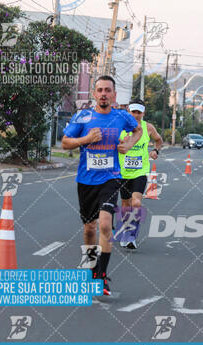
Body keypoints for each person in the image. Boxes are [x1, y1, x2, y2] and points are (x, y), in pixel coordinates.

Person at [62, 75, 142, 296]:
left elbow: (138, 130)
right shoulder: (82, 116)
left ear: (114, 95)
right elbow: (65, 143)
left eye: (108, 90)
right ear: (94, 94)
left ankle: (102, 276)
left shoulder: (121, 116)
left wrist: (129, 143)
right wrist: (85, 139)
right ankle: (90, 268)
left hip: (111, 177)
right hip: (86, 180)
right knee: (89, 229)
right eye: (100, 90)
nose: (104, 93)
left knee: (105, 225)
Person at [117, 99, 163, 249]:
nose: (136, 115)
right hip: (123, 172)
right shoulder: (120, 126)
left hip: (140, 171)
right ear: (129, 112)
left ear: (143, 113)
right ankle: (125, 229)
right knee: (125, 204)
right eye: (133, 112)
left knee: (136, 202)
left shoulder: (148, 128)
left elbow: (159, 140)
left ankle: (131, 235)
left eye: (139, 112)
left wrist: (156, 150)